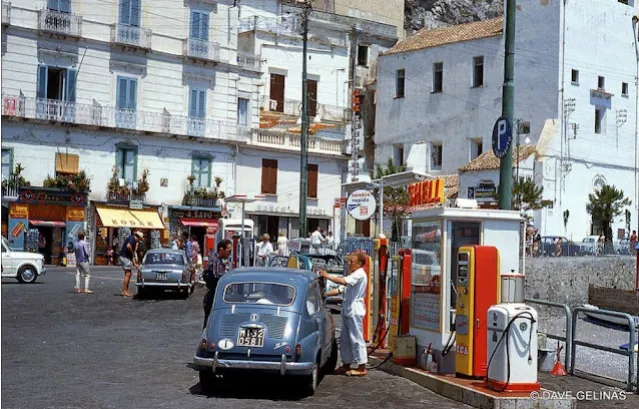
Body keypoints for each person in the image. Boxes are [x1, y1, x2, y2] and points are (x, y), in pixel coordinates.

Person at [320, 252, 368, 377]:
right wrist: (324, 294)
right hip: (347, 308)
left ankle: (361, 365)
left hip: (355, 308)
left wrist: (327, 276)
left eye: (351, 261)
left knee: (356, 337)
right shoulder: (353, 275)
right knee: (345, 337)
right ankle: (346, 363)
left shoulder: (359, 274)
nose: (349, 263)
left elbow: (342, 282)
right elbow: (340, 290)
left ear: (359, 264)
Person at [202, 239, 232, 329]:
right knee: (211, 323)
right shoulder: (216, 261)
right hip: (213, 296)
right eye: (228, 251)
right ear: (221, 249)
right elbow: (218, 278)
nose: (229, 253)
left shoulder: (217, 260)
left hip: (213, 295)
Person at [120, 231, 143, 297]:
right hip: (124, 257)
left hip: (126, 257)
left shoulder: (134, 241)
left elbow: (131, 256)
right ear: (138, 237)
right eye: (140, 239)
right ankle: (124, 291)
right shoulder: (132, 238)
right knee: (128, 274)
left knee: (129, 274)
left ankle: (126, 290)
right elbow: (128, 246)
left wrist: (135, 264)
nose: (139, 241)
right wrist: (133, 252)